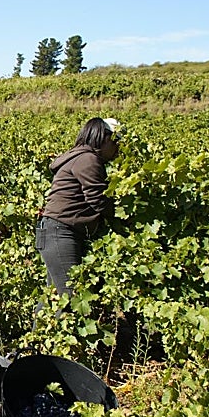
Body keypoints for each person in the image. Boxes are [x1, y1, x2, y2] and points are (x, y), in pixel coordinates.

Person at [35, 117, 122, 293]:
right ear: (103, 138)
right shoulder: (88, 159)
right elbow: (97, 198)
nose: (118, 148)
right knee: (70, 296)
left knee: (54, 297)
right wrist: (123, 218)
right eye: (116, 142)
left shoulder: (79, 156)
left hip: (54, 231)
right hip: (61, 232)